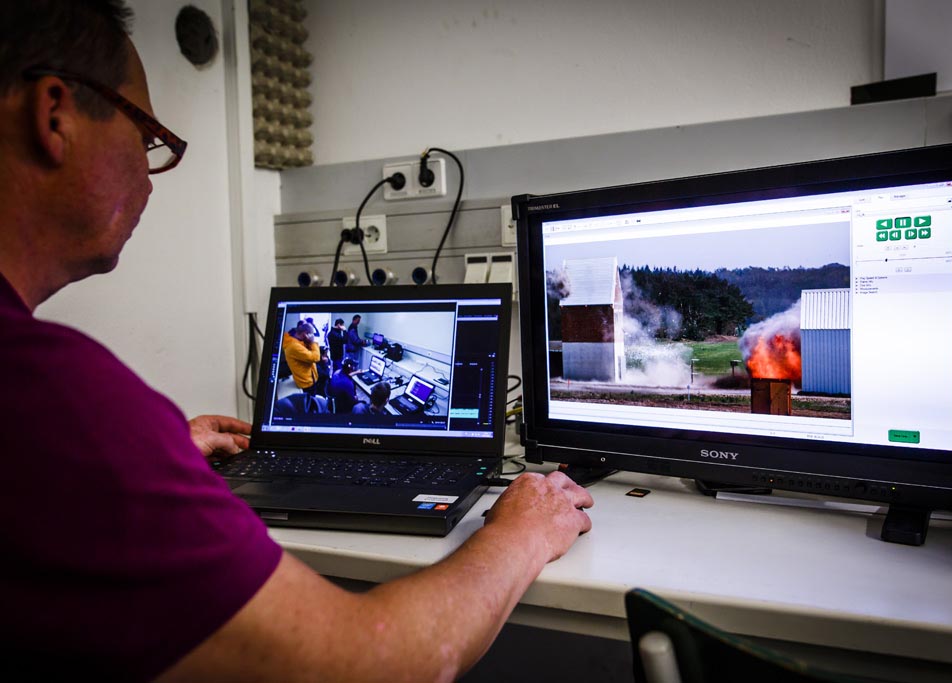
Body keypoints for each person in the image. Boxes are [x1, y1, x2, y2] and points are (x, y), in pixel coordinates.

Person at [0, 3, 594, 681]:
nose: (147, 177)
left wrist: (147, 458)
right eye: (146, 139)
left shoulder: (49, 417)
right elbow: (377, 662)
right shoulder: (49, 397)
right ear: (55, 116)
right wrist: (519, 531)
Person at [281, 320, 322, 393]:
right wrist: (313, 342)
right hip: (306, 383)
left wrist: (308, 342)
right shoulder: (294, 346)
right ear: (304, 334)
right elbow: (315, 357)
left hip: (309, 378)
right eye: (311, 334)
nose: (312, 337)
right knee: (310, 402)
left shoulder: (297, 340)